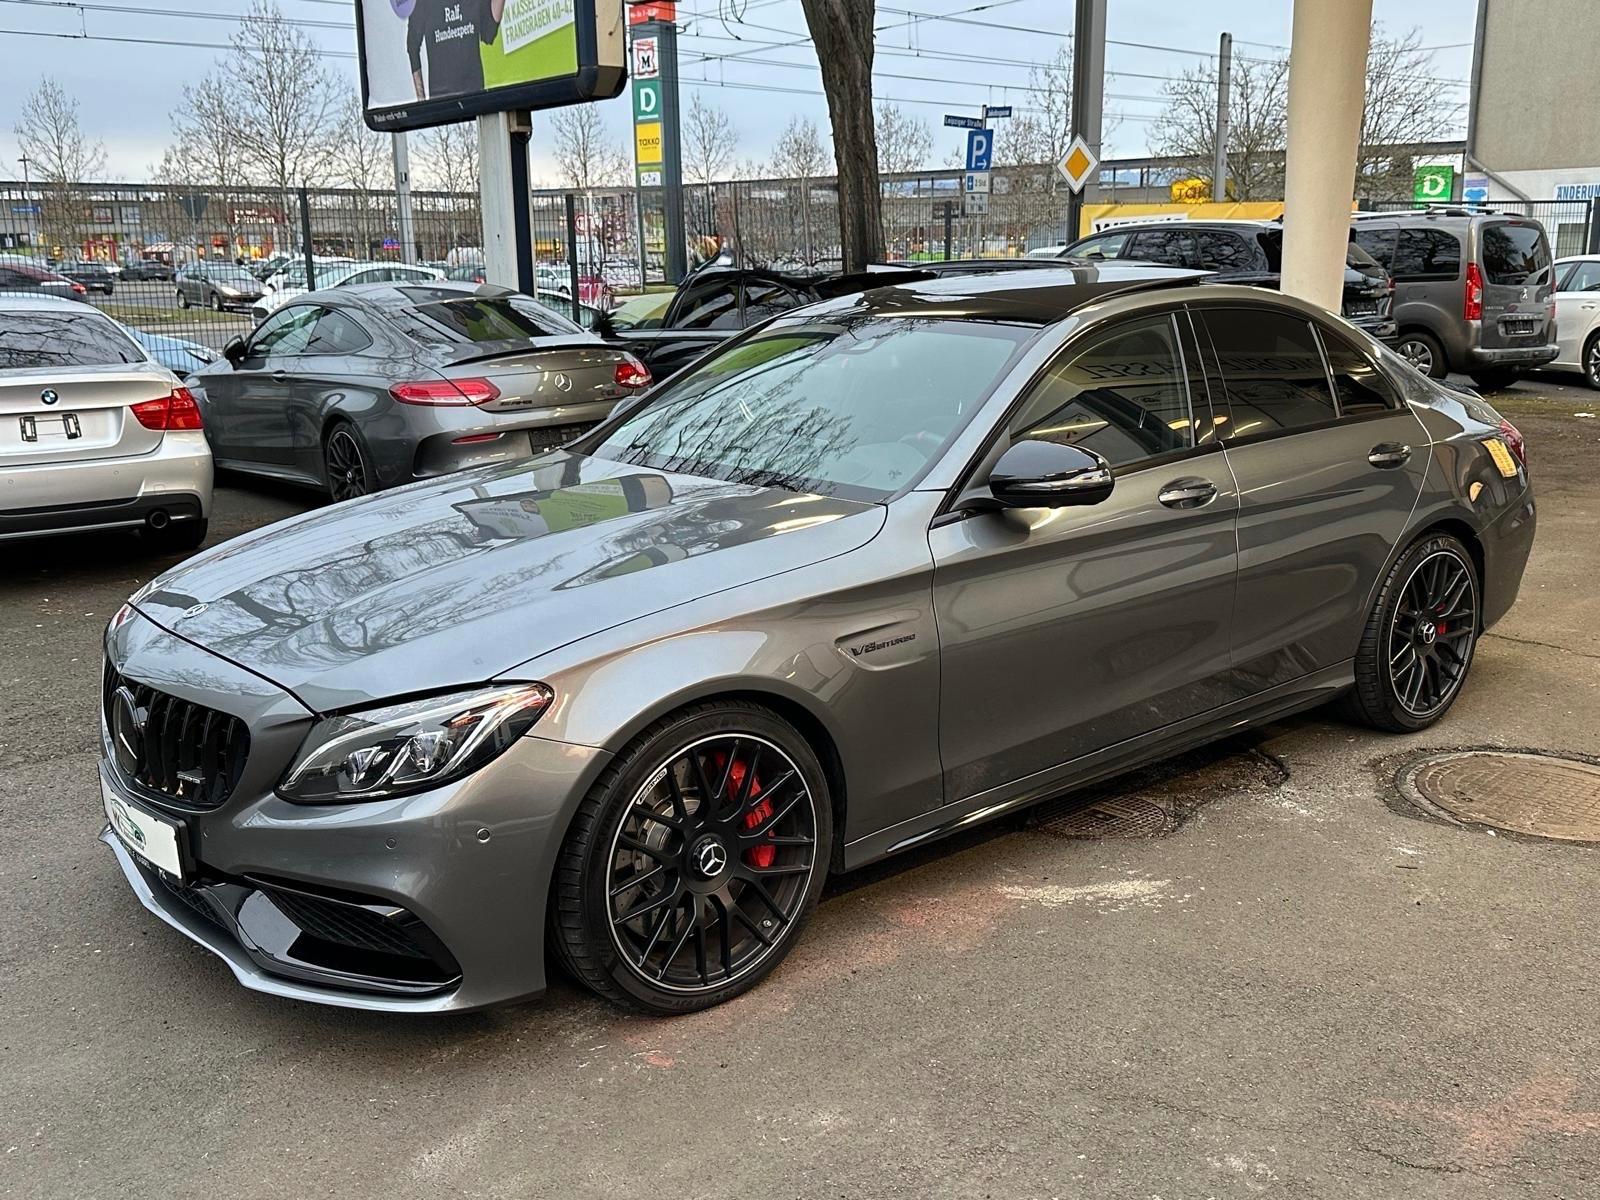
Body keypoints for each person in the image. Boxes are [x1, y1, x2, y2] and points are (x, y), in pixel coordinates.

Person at [407, 0, 505, 100]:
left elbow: (489, 34)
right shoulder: (423, 3)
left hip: (474, 94)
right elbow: (412, 47)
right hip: (442, 100)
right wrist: (421, 101)